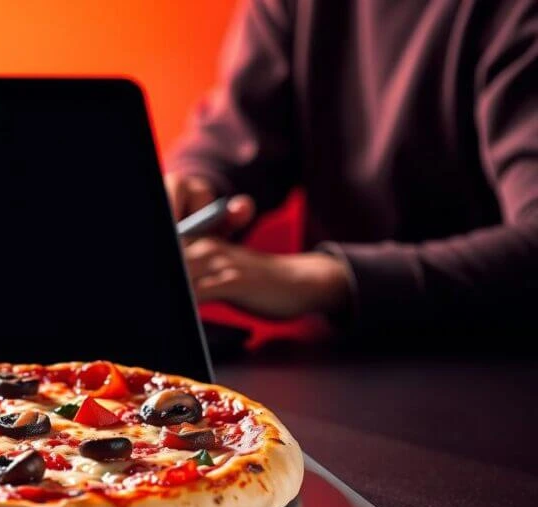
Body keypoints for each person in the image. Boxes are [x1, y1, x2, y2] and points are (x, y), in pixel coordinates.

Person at [166, 0, 538, 340]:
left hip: (496, 361)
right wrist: (196, 185)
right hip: (337, 361)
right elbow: (239, 133)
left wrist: (324, 279)